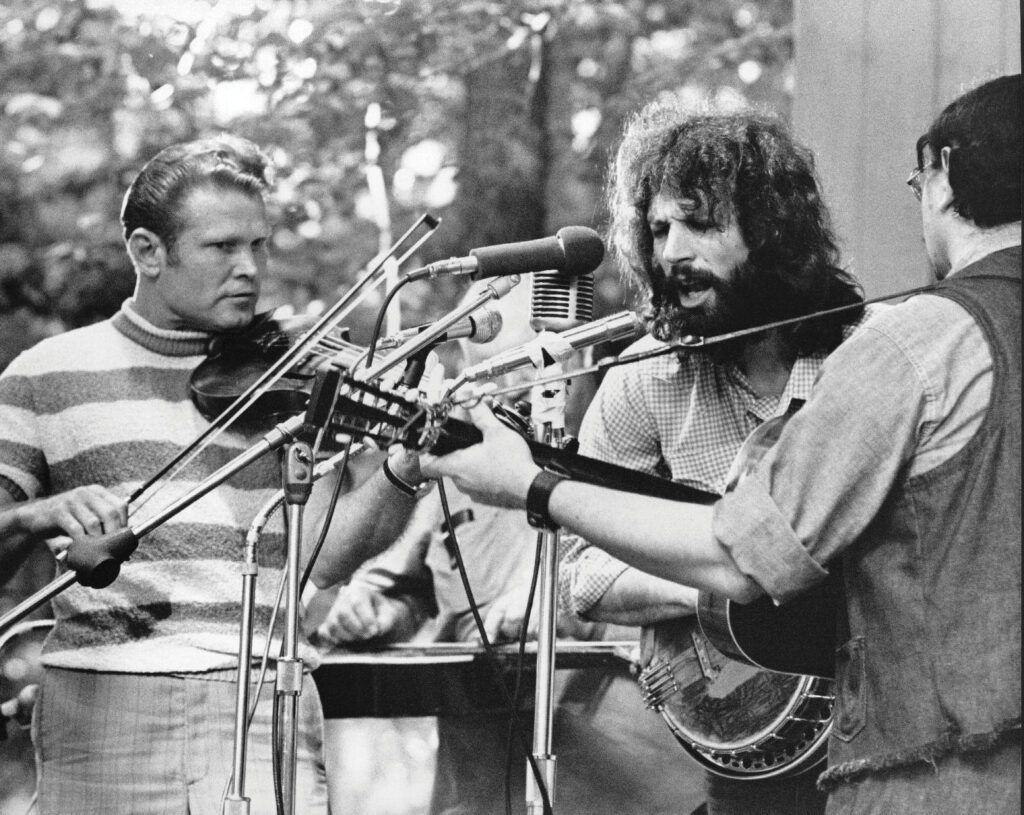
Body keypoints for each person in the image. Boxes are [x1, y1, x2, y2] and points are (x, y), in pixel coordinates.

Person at [421, 75, 1022, 814]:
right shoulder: (643, 379)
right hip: (736, 735)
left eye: (699, 225)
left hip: (887, 733)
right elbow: (580, 577)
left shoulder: (873, 351)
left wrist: (739, 561)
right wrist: (717, 594)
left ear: (771, 229)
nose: (672, 252)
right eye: (659, 230)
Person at [0, 134, 414, 814]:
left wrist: (407, 462)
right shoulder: (44, 375)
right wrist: (36, 514)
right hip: (102, 706)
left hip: (257, 697)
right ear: (147, 252)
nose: (250, 269)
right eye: (223, 248)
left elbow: (319, 559)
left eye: (260, 245)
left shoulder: (286, 378)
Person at [314, 279, 702, 815]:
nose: (498, 407)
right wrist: (373, 609)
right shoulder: (453, 471)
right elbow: (404, 589)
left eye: (517, 379)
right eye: (483, 379)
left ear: (573, 355)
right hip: (483, 776)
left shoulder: (636, 449)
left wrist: (553, 604)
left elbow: (705, 577)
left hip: (624, 777)